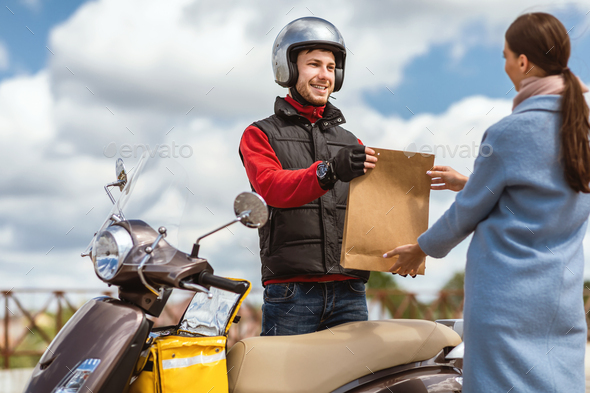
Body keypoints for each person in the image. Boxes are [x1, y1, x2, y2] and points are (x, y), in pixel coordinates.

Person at [384, 12, 590, 392]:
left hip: (506, 303)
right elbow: (540, 194)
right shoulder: (582, 128)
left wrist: (420, 248)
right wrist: (469, 181)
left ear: (523, 62)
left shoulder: (511, 131)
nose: (507, 65)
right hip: (560, 302)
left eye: (506, 56)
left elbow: (468, 213)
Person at [239, 17, 378, 336]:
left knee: (356, 385)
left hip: (351, 293)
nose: (324, 75)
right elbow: (273, 188)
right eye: (314, 64)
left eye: (331, 67)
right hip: (291, 295)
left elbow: (371, 212)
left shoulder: (352, 143)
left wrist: (401, 251)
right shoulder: (260, 135)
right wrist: (329, 171)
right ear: (287, 69)